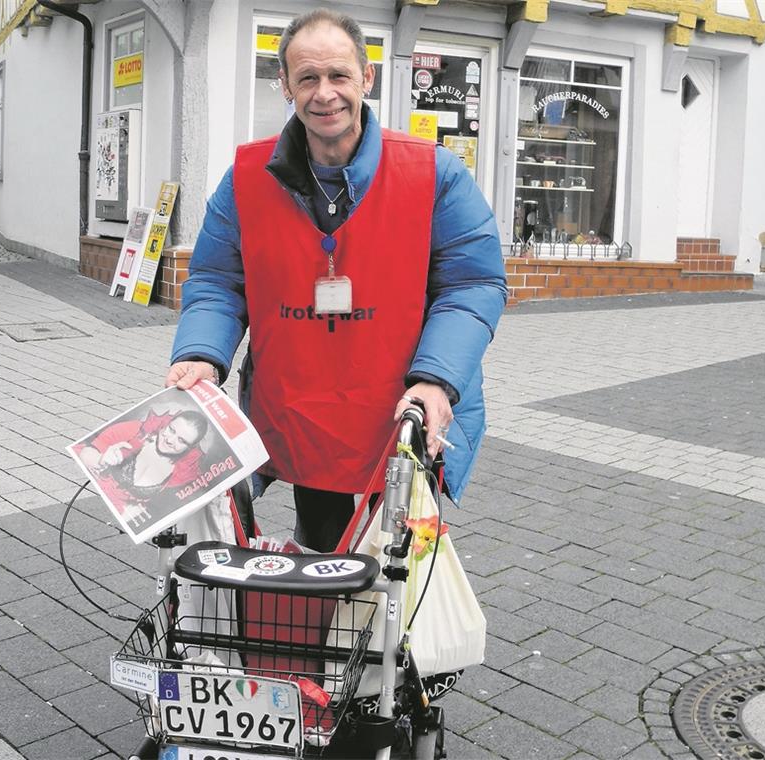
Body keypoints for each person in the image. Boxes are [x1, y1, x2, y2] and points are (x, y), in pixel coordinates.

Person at [166, 9, 507, 552]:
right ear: (285, 86)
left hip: (404, 408)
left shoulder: (433, 172)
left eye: (339, 75)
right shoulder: (247, 180)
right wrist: (201, 354)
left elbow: (473, 284)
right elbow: (217, 280)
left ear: (366, 77)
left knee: (396, 566)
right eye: (307, 78)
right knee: (321, 560)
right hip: (306, 407)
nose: (325, 94)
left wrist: (438, 378)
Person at [76, 409, 208, 523]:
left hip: (122, 521)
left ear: (189, 448)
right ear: (167, 423)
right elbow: (85, 453)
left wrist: (139, 511)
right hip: (92, 504)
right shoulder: (136, 430)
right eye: (171, 430)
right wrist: (100, 460)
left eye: (181, 440)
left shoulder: (182, 473)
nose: (169, 440)